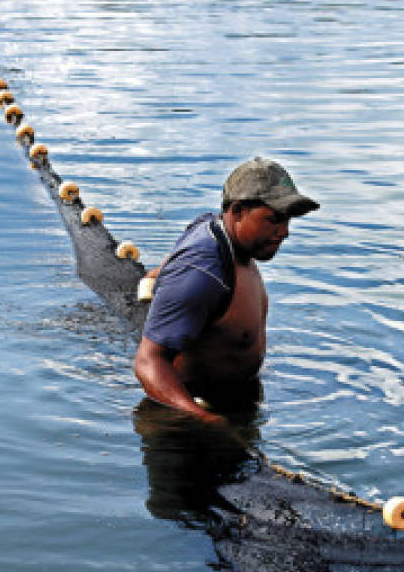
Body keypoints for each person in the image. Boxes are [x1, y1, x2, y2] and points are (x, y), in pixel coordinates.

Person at [134, 158, 319, 424]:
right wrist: (202, 419)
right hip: (186, 418)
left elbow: (183, 253)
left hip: (239, 399)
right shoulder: (203, 272)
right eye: (274, 219)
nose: (285, 232)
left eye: (288, 220)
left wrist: (162, 271)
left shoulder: (231, 239)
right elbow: (148, 361)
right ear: (238, 211)